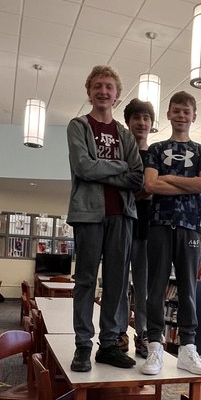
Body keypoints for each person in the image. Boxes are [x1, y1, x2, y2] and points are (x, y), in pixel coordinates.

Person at [66, 65, 143, 372]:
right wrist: (118, 167)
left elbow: (136, 176)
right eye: (97, 86)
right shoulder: (78, 126)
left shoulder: (124, 134)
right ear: (89, 92)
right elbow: (83, 167)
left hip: (122, 215)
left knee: (117, 283)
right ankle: (83, 346)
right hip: (88, 215)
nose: (103, 91)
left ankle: (109, 345)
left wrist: (101, 167)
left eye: (109, 87)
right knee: (85, 281)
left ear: (117, 95)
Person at [142, 91, 201, 378]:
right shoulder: (156, 149)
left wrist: (168, 178)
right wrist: (188, 183)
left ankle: (188, 348)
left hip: (190, 227)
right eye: (176, 111)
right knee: (155, 288)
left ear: (194, 116)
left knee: (188, 289)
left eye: (186, 111)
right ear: (169, 114)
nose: (181, 115)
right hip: (159, 224)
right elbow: (150, 185)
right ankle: (154, 346)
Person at [123, 97, 154, 359]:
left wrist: (146, 191)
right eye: (137, 118)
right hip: (121, 228)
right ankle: (118, 332)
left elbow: (156, 188)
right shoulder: (120, 153)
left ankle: (142, 334)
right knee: (119, 285)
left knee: (143, 288)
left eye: (146, 118)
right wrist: (143, 191)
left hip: (146, 230)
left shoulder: (155, 156)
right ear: (128, 122)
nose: (141, 123)